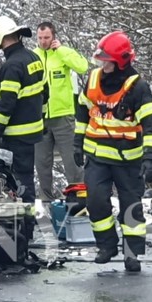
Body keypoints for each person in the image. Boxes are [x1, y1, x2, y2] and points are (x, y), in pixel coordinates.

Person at [74, 31, 152, 272]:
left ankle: (132, 254)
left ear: (121, 61)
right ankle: (107, 246)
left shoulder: (138, 87)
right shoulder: (92, 80)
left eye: (107, 60)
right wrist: (76, 142)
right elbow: (82, 112)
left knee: (131, 206)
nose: (102, 64)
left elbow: (151, 127)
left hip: (128, 160)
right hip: (97, 156)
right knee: (96, 201)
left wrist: (150, 159)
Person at [0, 16, 45, 205]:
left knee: (19, 181)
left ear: (1, 38)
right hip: (33, 132)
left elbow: (6, 105)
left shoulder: (11, 66)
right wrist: (41, 120)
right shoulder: (34, 58)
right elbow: (45, 94)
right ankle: (28, 219)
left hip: (15, 135)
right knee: (26, 176)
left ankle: (26, 223)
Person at [32, 22, 88, 202]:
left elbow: (82, 66)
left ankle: (79, 199)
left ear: (53, 36)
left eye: (46, 37)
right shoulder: (33, 56)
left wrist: (62, 50)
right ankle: (47, 202)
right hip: (40, 118)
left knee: (72, 163)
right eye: (40, 38)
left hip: (63, 115)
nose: (43, 41)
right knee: (42, 165)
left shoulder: (63, 53)